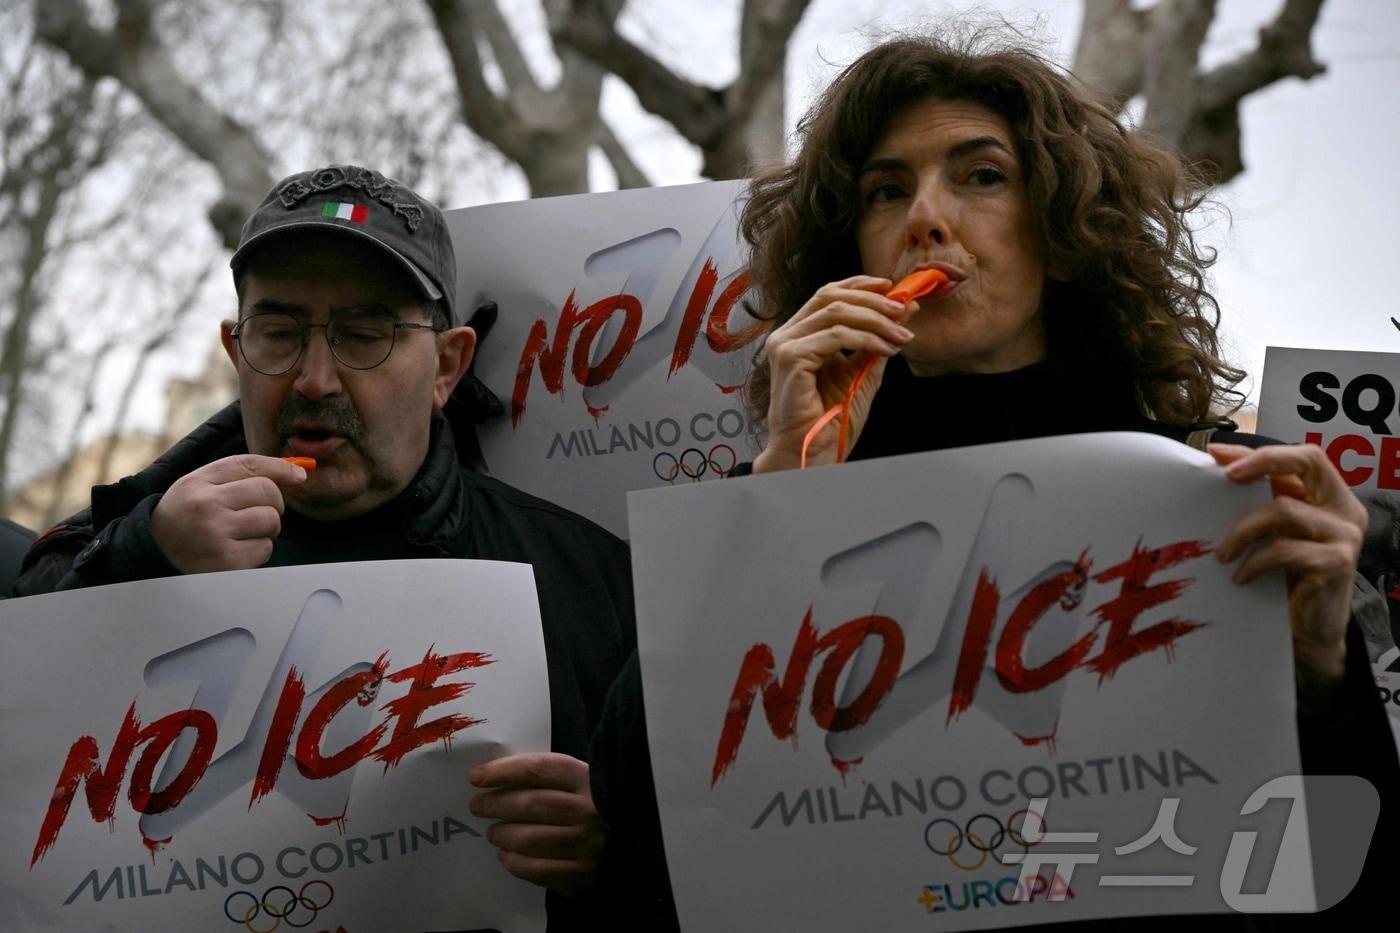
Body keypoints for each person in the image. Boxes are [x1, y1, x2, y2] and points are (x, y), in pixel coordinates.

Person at [591, 33, 1399, 929]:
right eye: (885, 191)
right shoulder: (779, 489)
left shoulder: (1216, 490)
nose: (925, 218)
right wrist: (777, 496)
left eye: (982, 177)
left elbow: (1348, 859)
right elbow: (640, 823)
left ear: (1062, 227)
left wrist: (1320, 668)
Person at [13, 164, 633, 928]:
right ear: (236, 351)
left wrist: (615, 840)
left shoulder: (582, 575)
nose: (314, 379)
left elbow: (700, 853)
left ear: (447, 365)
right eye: (278, 333)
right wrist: (139, 565)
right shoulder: (137, 546)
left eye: (363, 335)